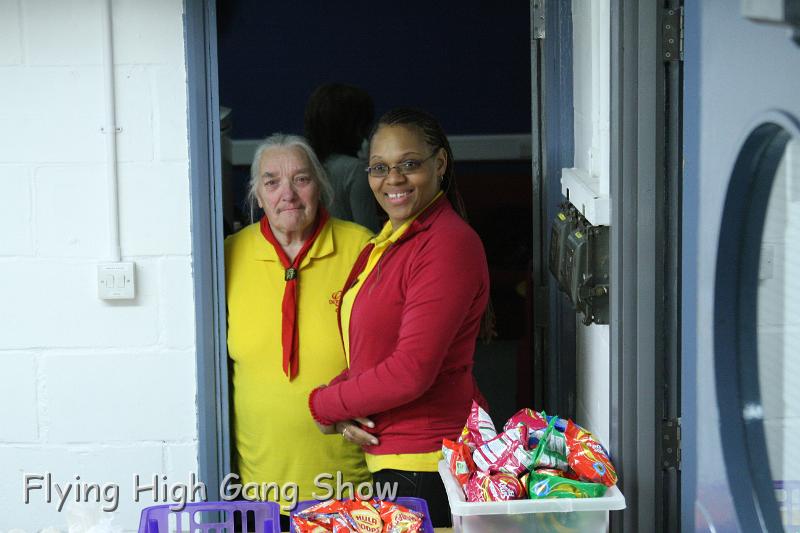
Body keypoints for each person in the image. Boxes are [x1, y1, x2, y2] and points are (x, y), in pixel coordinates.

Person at [308, 108, 494, 527]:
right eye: (379, 168)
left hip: (428, 463)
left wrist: (323, 404)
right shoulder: (392, 241)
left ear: (440, 164)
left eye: (409, 164)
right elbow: (372, 357)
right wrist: (343, 407)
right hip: (397, 457)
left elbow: (411, 371)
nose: (393, 179)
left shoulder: (447, 244)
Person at [225, 133, 372, 529]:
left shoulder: (362, 249)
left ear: (320, 186)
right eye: (271, 181)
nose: (287, 193)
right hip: (259, 494)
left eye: (301, 179)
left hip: (350, 487)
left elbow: (391, 355)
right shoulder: (228, 255)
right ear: (257, 194)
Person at [304, 82, 381, 233]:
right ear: (355, 127)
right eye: (366, 124)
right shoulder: (356, 170)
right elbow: (369, 235)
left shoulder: (305, 165)